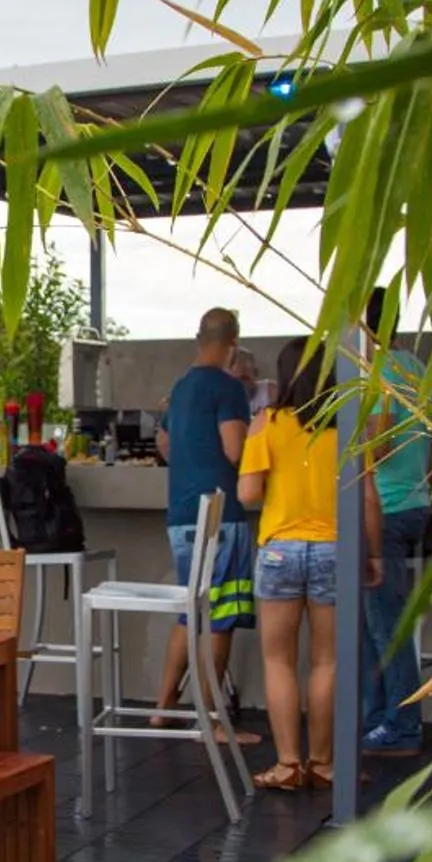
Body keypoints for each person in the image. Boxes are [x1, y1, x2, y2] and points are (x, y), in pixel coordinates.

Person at [237, 338, 382, 791]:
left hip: (280, 549)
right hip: (334, 550)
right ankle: (322, 764)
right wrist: (373, 554)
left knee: (279, 661)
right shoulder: (349, 427)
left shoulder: (267, 422)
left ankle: (286, 765)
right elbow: (369, 497)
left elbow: (247, 494)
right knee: (327, 661)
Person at [153, 307, 258, 727]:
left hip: (180, 514)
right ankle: (211, 718)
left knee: (190, 609)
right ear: (233, 341)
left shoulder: (179, 389)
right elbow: (235, 451)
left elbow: (165, 443)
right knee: (221, 615)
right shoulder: (227, 389)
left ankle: (163, 707)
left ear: (200, 337)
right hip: (220, 516)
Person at [362, 285, 432, 756]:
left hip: (383, 509)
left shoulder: (376, 375)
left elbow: (378, 445)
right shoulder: (417, 368)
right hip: (416, 504)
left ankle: (403, 725)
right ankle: (377, 719)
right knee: (378, 624)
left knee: (388, 627)